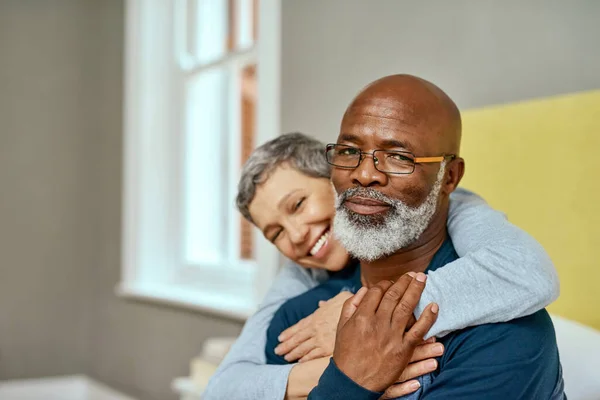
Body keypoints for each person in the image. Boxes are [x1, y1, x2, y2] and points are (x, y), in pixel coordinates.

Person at [264, 74, 565, 399]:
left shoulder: (509, 334)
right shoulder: (300, 323)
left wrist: (347, 382)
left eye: (399, 157)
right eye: (349, 151)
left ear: (449, 177)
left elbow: (528, 272)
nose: (364, 174)